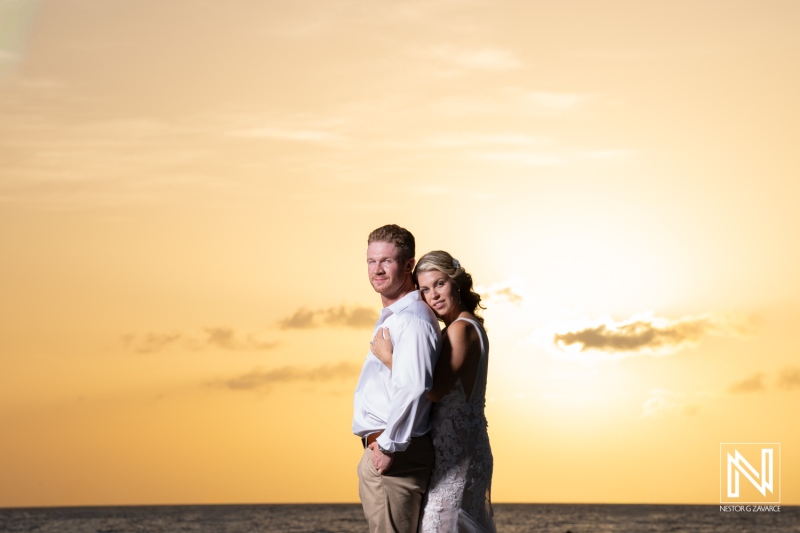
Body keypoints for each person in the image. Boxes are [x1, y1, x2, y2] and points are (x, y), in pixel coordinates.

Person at [371, 250, 495, 533]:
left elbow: (435, 391)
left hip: (458, 457)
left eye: (440, 284)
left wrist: (389, 359)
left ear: (456, 283)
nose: (434, 295)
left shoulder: (460, 329)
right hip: (459, 450)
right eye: (425, 290)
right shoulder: (466, 326)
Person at [353, 224, 443, 533]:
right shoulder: (397, 317)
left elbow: (415, 386)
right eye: (371, 261)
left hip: (395, 455)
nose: (376, 270)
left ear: (408, 265)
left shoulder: (412, 320)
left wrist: (389, 446)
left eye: (386, 261)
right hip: (391, 452)